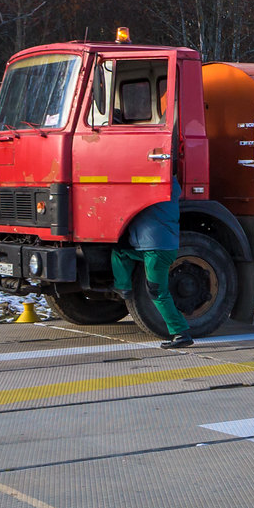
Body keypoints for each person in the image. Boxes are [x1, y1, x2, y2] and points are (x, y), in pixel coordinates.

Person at [112, 119, 192, 349]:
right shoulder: (169, 185)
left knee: (157, 291)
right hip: (155, 247)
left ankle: (181, 332)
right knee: (121, 253)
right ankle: (123, 287)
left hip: (157, 249)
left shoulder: (155, 187)